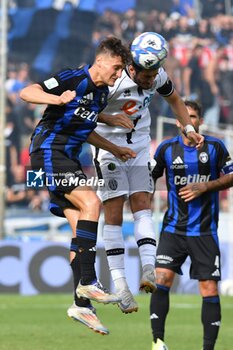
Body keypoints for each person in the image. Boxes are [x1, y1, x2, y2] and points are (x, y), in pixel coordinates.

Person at [19, 36, 136, 336]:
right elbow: (27, 92)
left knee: (79, 229)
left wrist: (115, 145)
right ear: (100, 61)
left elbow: (87, 128)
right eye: (116, 66)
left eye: (121, 68)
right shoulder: (73, 77)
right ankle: (89, 282)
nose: (118, 73)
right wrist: (55, 98)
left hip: (65, 157)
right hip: (48, 151)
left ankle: (82, 305)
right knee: (93, 203)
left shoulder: (101, 94)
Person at [91, 32, 204, 314]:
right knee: (115, 213)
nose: (152, 79)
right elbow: (85, 117)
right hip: (108, 150)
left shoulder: (157, 75)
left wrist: (188, 129)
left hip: (140, 148)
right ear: (133, 67)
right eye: (147, 74)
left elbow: (176, 101)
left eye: (155, 72)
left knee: (142, 205)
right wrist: (109, 133)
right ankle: (120, 287)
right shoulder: (112, 84)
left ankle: (149, 269)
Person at [150, 100, 233, 350]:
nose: (191, 121)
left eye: (195, 116)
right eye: (186, 116)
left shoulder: (216, 147)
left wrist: (206, 185)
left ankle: (208, 348)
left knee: (208, 287)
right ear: (177, 121)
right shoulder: (165, 148)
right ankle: (158, 342)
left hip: (204, 231)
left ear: (201, 121)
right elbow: (149, 179)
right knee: (161, 278)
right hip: (173, 229)